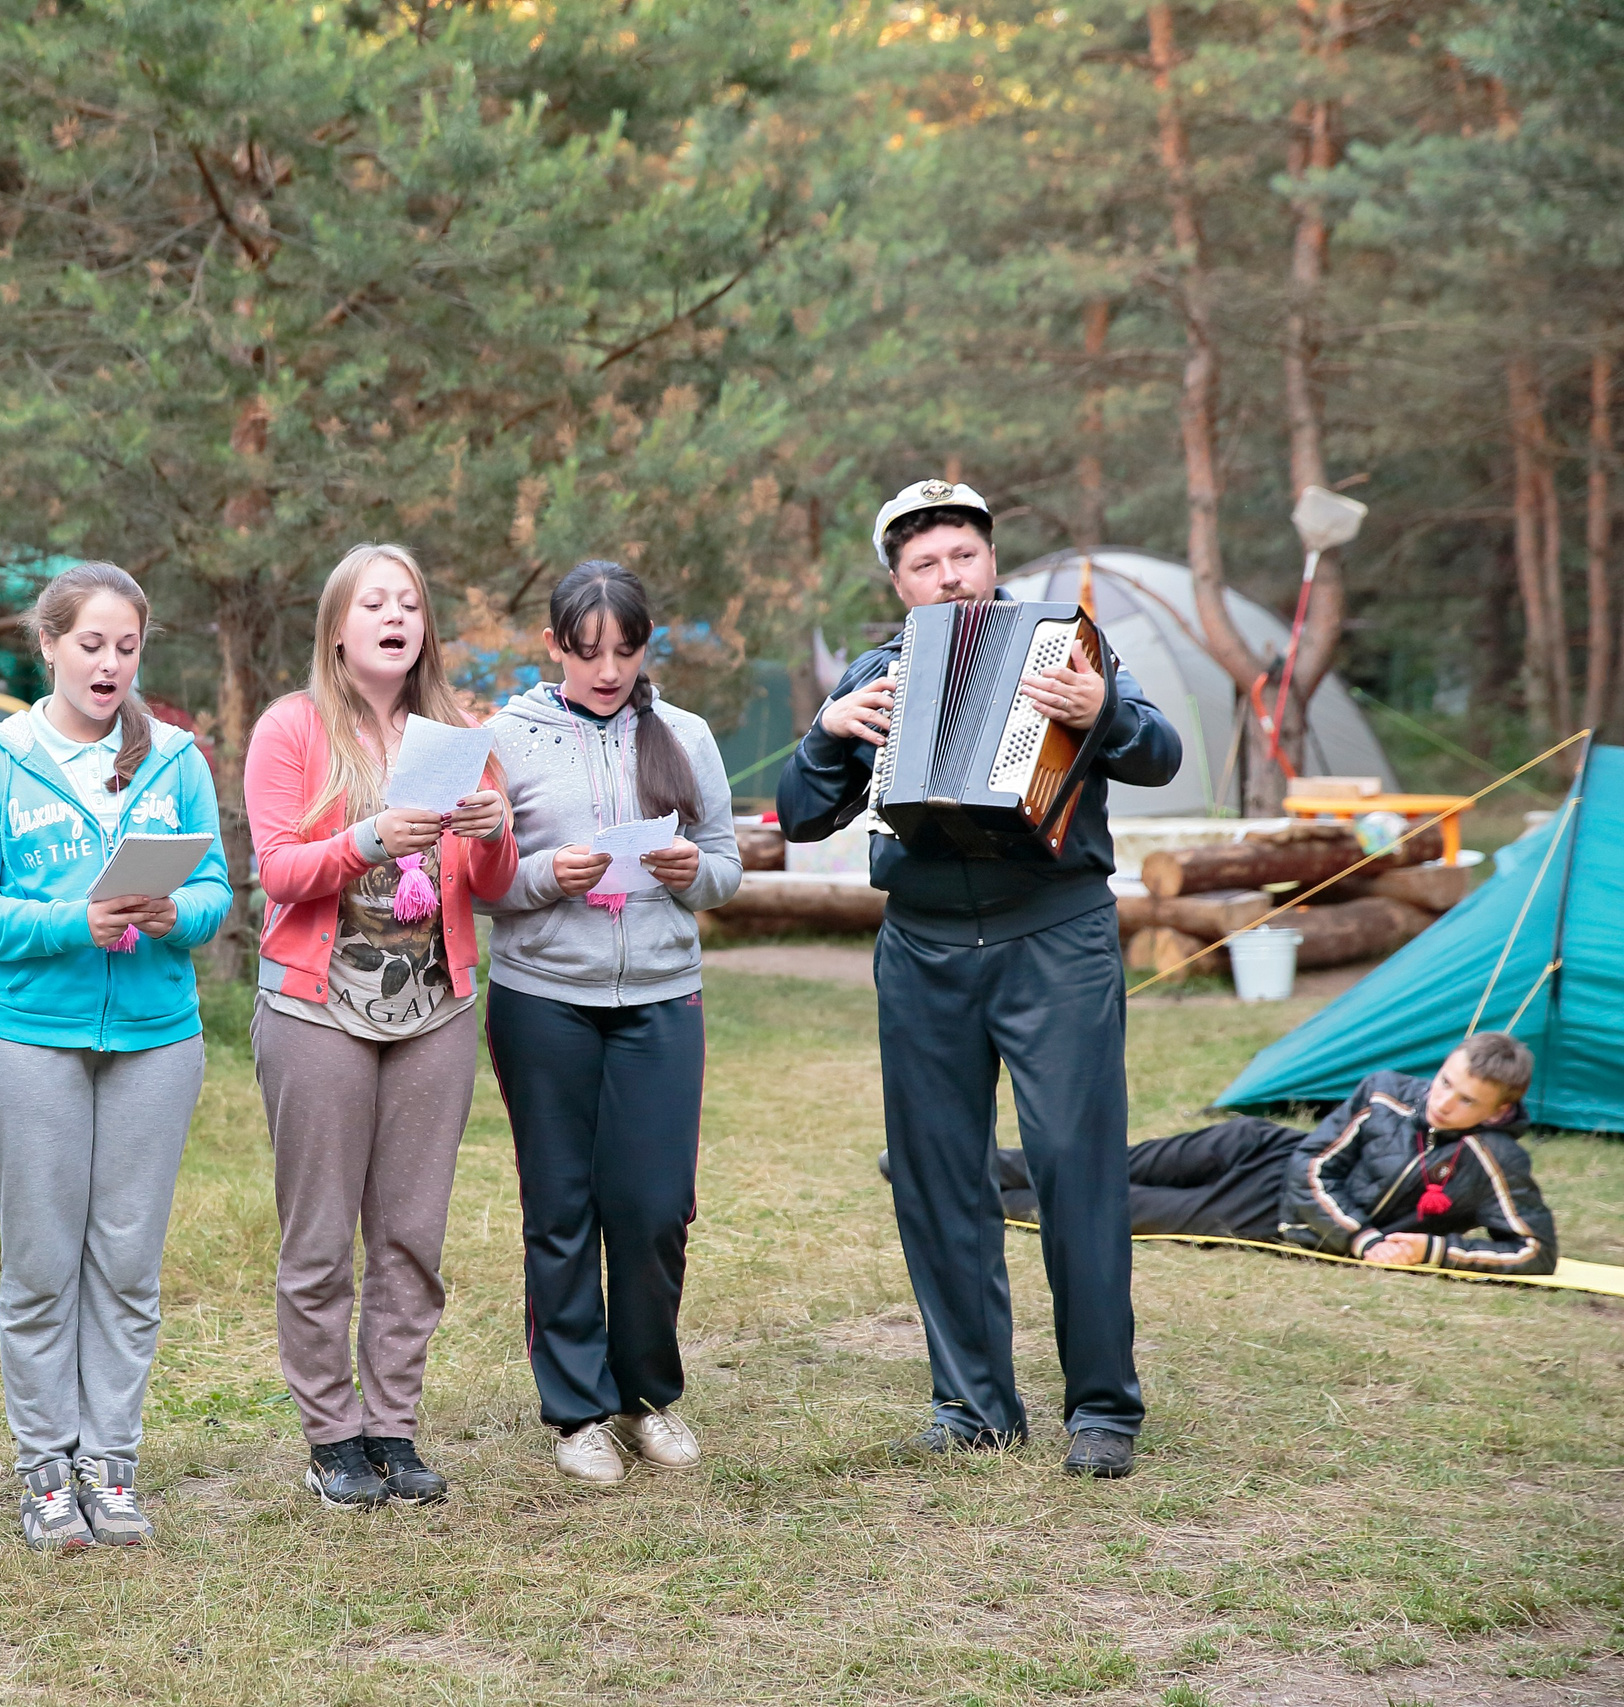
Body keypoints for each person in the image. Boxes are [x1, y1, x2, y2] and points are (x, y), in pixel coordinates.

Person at [778, 480, 1182, 1479]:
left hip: (1054, 938)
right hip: (921, 949)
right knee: (936, 1177)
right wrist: (827, 733)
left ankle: (1101, 1410)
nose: (949, 576)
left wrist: (1105, 714)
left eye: (962, 556)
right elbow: (797, 816)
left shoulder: (1072, 651)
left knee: (1074, 1168)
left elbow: (1162, 755)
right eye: (925, 564)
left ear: (991, 561)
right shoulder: (873, 677)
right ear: (899, 582)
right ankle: (971, 1404)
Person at [0, 562, 233, 1551]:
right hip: (29, 1040)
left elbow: (216, 895)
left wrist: (168, 909)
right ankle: (44, 1473)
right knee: (41, 1268)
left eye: (127, 646)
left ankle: (112, 1463)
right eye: (91, 644)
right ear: (51, 645)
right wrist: (76, 921)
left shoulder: (176, 758)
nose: (109, 664)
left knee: (127, 1266)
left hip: (156, 1041)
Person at [245, 544, 516, 1510]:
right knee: (318, 1237)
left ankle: (394, 1428)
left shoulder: (456, 731)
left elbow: (487, 887)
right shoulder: (291, 728)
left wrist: (490, 832)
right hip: (317, 1008)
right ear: (338, 629)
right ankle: (331, 1436)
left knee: (410, 1233)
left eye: (410, 603)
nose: (396, 616)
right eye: (375, 603)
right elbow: (277, 870)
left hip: (434, 1009)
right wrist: (366, 837)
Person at [480, 560, 742, 1486]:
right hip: (542, 999)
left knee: (654, 1207)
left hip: (662, 998)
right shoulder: (504, 738)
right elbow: (484, 883)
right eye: (588, 652)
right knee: (560, 1208)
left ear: (645, 647)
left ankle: (645, 1397)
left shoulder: (687, 734)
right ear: (553, 646)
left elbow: (725, 866)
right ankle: (579, 1410)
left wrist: (687, 874)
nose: (608, 670)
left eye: (625, 651)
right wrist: (551, 875)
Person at [967, 1033, 1557, 1276]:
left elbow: (1535, 1251)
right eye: (1446, 1080)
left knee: (1120, 1206)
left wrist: (1435, 1249)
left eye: (1466, 1099)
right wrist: (1362, 1240)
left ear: (1499, 1110)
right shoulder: (1385, 1090)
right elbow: (1313, 1163)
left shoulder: (1494, 1160)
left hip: (1277, 1216)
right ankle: (966, 1167)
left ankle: (971, 1196)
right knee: (1124, 1162)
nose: (1443, 1100)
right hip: (1272, 1155)